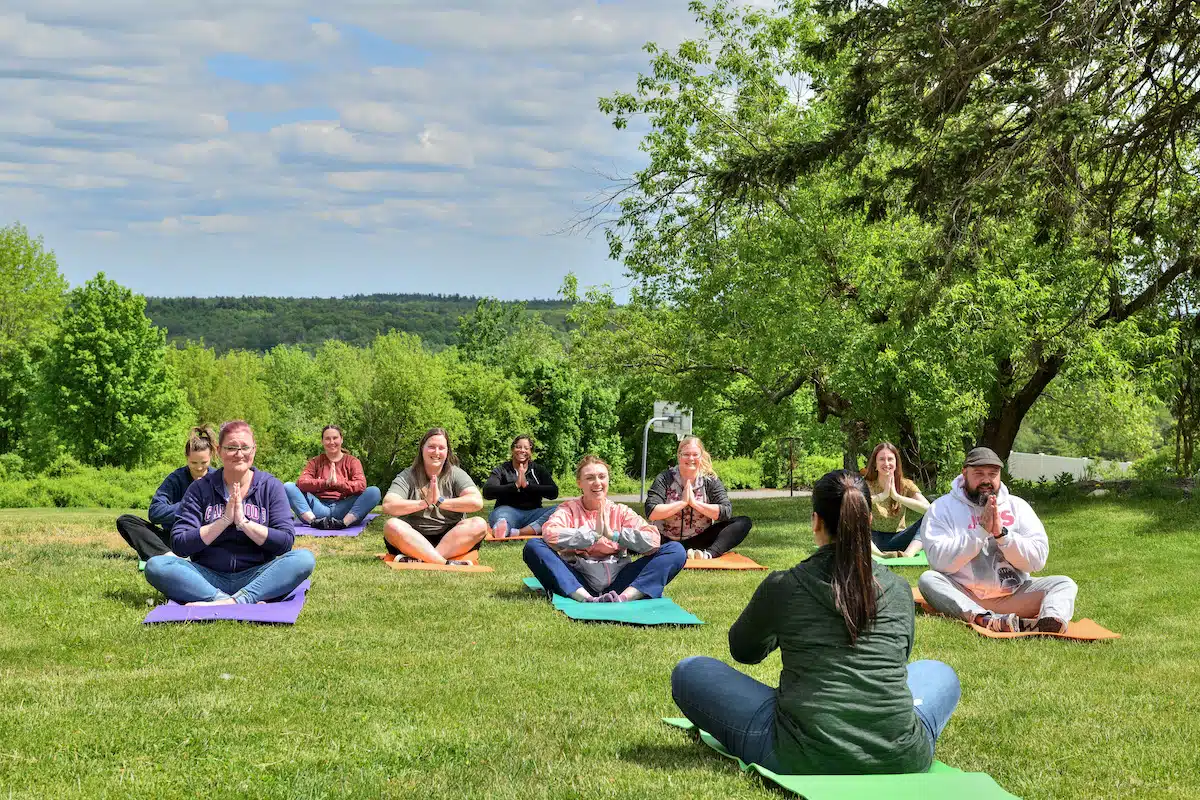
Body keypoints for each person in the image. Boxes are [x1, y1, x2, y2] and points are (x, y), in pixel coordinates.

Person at [671, 470, 960, 775]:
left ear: (815, 521)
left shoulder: (785, 585)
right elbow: (900, 658)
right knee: (941, 674)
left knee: (689, 671)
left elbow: (744, 650)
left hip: (798, 753)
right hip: (902, 757)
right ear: (869, 522)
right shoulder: (899, 589)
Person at [144, 420, 315, 606]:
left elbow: (285, 542)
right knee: (156, 566)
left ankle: (234, 600)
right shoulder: (199, 488)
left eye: (245, 447)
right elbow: (179, 544)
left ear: (254, 450)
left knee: (304, 559)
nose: (239, 454)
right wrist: (223, 521)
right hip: (207, 576)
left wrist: (244, 523)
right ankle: (226, 599)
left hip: (257, 576)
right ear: (219, 451)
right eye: (231, 447)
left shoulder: (271, 487)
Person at [917, 447, 1078, 634]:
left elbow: (1037, 560)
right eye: (979, 474)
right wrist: (980, 532)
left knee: (1064, 583)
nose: (986, 480)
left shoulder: (1018, 506)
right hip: (964, 594)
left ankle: (1048, 621)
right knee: (928, 579)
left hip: (1014, 595)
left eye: (993, 474)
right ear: (964, 473)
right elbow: (939, 561)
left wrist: (1002, 535)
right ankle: (985, 619)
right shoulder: (942, 508)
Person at [523, 455, 686, 602]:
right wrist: (592, 536)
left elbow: (653, 541)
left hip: (620, 581)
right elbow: (550, 533)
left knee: (675, 550)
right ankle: (586, 599)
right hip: (579, 580)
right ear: (579, 483)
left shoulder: (621, 511)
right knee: (533, 546)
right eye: (590, 478)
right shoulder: (569, 509)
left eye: (602, 477)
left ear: (608, 480)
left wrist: (614, 535)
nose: (597, 482)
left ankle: (624, 598)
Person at [380, 428, 488, 565]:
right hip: (413, 538)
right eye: (431, 447)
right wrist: (425, 503)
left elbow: (476, 502)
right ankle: (443, 562)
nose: (436, 452)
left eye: (441, 448)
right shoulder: (407, 475)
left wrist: (440, 501)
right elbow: (388, 505)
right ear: (422, 449)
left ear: (447, 451)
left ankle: (426, 559)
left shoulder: (456, 474)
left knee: (479, 524)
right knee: (391, 525)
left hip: (451, 540)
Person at [116, 426, 218, 564]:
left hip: (205, 541)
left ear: (211, 456)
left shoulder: (219, 479)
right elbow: (155, 512)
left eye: (204, 462)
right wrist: (188, 504)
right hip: (175, 539)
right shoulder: (176, 478)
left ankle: (162, 555)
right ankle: (170, 557)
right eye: (194, 462)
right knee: (126, 521)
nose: (199, 468)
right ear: (186, 458)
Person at [645, 435, 753, 559]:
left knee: (743, 522)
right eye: (686, 454)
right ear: (679, 456)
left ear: (701, 457)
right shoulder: (665, 478)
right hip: (664, 540)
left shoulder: (710, 480)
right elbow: (651, 511)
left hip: (699, 540)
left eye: (695, 454)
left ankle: (708, 554)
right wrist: (682, 503)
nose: (691, 458)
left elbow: (726, 512)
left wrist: (694, 503)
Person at [284, 425, 381, 530]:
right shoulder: (315, 461)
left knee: (374, 491)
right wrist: (325, 483)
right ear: (322, 441)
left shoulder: (353, 461)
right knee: (288, 486)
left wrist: (338, 484)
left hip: (345, 509)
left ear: (341, 439)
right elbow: (301, 482)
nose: (331, 442)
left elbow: (361, 485)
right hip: (318, 508)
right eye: (327, 439)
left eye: (335, 438)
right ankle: (314, 522)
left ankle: (343, 523)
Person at [483, 435, 559, 537]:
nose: (522, 450)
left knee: (560, 509)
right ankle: (502, 528)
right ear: (512, 449)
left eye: (526, 448)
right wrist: (515, 486)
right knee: (502, 518)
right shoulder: (502, 470)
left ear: (531, 452)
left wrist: (527, 486)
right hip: (507, 512)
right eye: (518, 447)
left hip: (534, 514)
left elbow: (553, 492)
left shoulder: (538, 469)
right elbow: (487, 492)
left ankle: (520, 532)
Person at [863, 442, 928, 559]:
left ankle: (908, 554)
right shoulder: (865, 485)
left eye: (890, 459)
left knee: (931, 518)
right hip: (871, 540)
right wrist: (882, 496)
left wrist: (898, 497)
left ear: (896, 463)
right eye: (882, 459)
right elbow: (854, 505)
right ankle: (880, 555)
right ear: (875, 465)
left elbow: (930, 509)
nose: (886, 463)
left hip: (899, 539)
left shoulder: (906, 485)